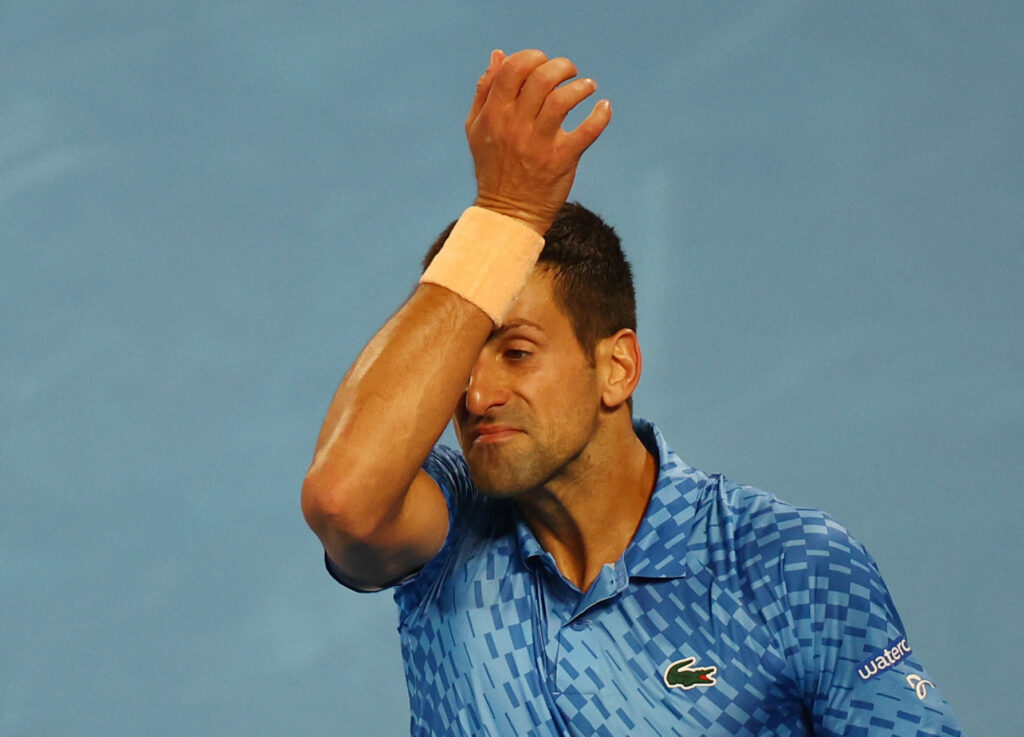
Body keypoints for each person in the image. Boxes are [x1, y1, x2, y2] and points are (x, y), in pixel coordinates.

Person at [302, 49, 962, 736]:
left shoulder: (790, 567)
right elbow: (341, 498)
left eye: (517, 352)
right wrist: (502, 218)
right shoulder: (446, 528)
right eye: (462, 362)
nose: (475, 395)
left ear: (617, 367)